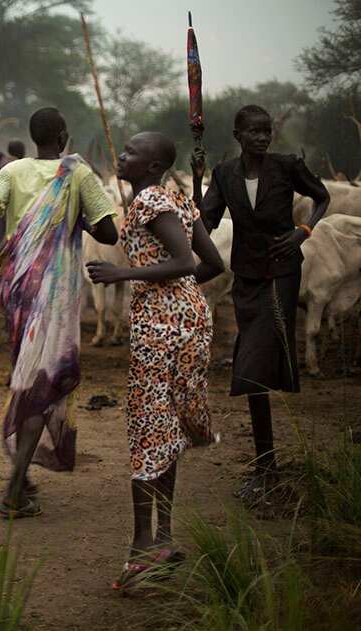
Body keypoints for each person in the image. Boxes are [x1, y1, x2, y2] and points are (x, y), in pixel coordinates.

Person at [87, 132, 225, 590]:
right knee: (164, 426)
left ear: (151, 167)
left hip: (162, 324)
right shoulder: (178, 200)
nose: (121, 155)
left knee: (148, 425)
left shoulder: (149, 200)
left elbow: (186, 260)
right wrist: (181, 295)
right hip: (188, 317)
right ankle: (161, 537)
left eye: (130, 152)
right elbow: (213, 265)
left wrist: (125, 274)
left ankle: (142, 545)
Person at [0, 107, 118, 518]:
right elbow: (109, 232)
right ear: (65, 134)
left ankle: (23, 476)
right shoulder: (78, 174)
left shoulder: (12, 171)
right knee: (42, 385)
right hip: (52, 297)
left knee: (28, 378)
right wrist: (76, 216)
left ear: (34, 138)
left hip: (16, 290)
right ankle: (15, 489)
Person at [194, 105, 330, 504]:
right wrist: (199, 179)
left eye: (266, 131)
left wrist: (303, 231)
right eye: (253, 131)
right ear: (238, 135)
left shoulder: (287, 166)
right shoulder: (225, 174)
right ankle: (265, 463)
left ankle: (266, 464)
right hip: (247, 276)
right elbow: (204, 222)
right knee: (253, 365)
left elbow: (321, 198)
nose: (261, 137)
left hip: (282, 272)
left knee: (253, 364)